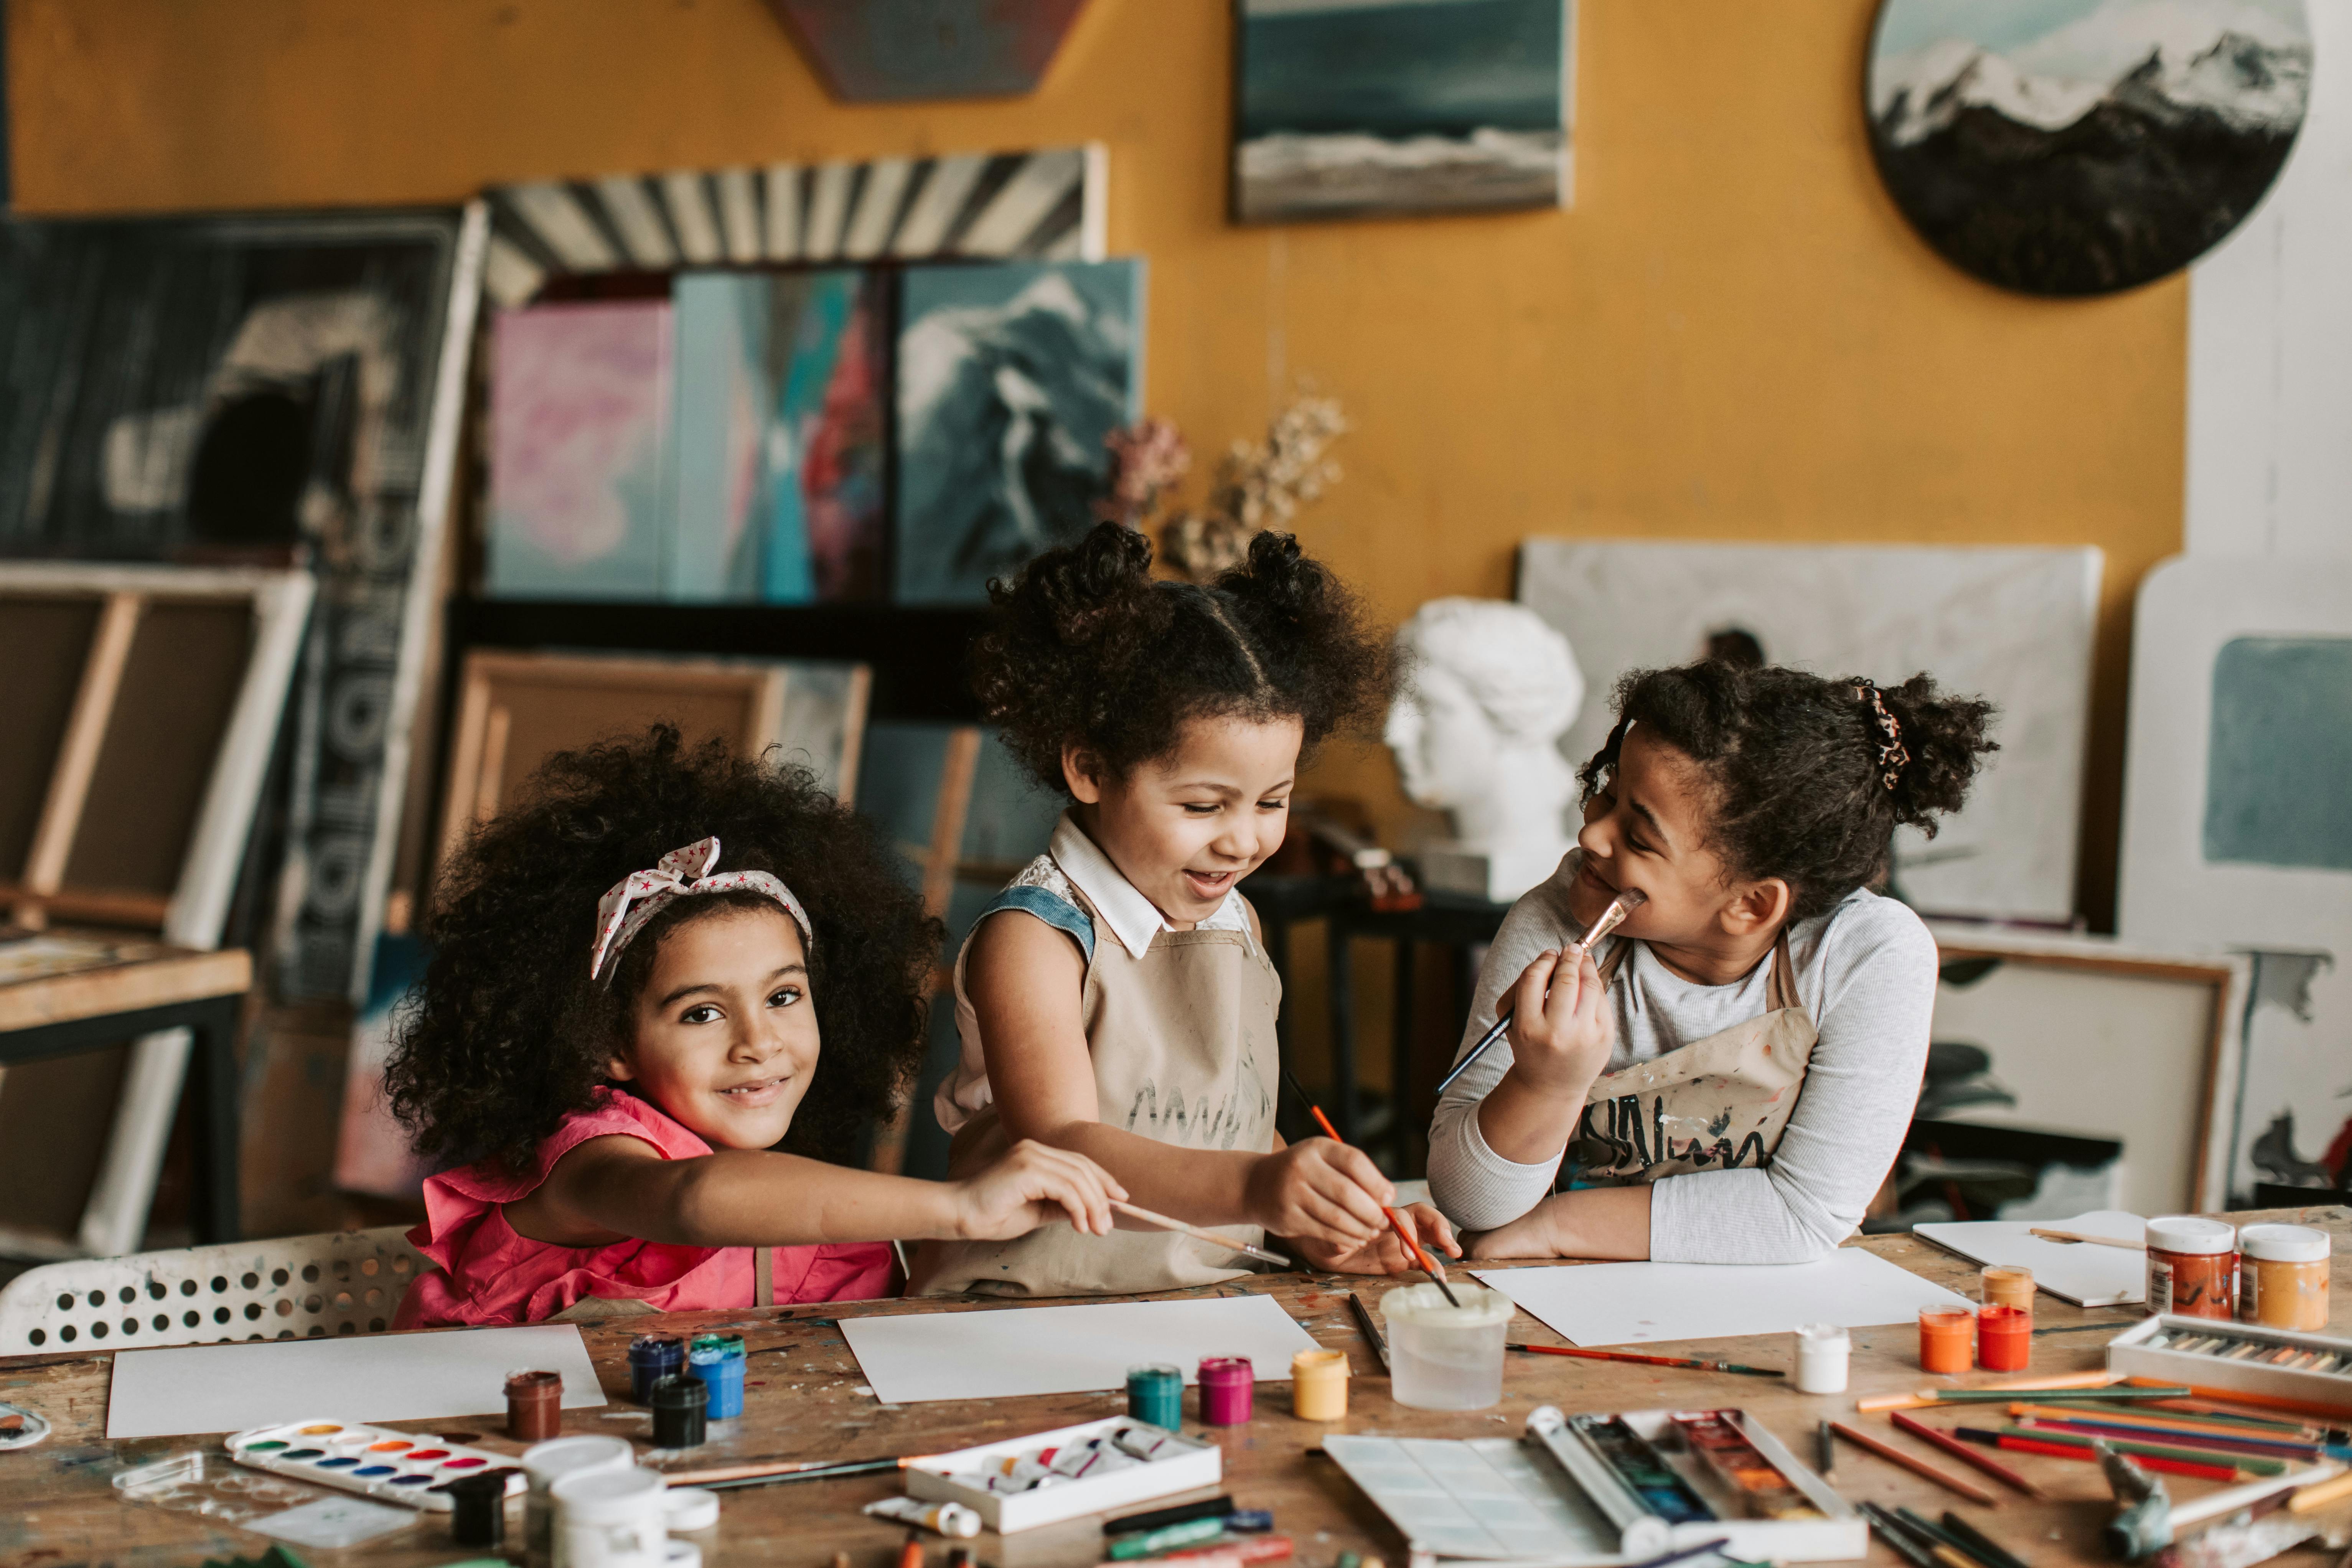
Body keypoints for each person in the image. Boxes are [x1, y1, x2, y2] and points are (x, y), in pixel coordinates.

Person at [387, 727, 1124, 1327]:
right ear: (606, 1045)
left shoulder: (799, 1185)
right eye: (702, 1012)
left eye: (783, 997)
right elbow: (694, 1200)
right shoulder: (596, 1162)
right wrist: (960, 1208)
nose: (759, 1042)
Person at [909, 523, 1455, 1296]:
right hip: (1025, 1310)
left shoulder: (1237, 923)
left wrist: (1324, 1227)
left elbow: (1227, 1123)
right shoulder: (1034, 940)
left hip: (1200, 1307)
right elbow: (1066, 1147)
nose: (1244, 839)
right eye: (1204, 804)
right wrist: (1261, 1185)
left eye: (1274, 801)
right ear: (1091, 768)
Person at [1426, 662, 1997, 1264]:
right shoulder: (1556, 921)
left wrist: (1551, 1227)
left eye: (1640, 838)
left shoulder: (1867, 958)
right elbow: (1471, 1204)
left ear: (1750, 904)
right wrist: (1545, 1084)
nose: (1592, 836)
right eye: (1609, 793)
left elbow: (1803, 1214)